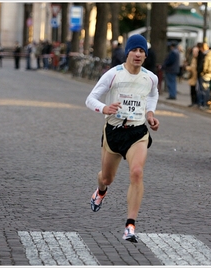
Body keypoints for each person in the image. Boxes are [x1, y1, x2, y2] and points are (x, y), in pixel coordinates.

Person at [85, 34, 160, 243]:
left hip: (137, 132)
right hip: (114, 131)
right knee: (107, 178)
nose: (138, 54)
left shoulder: (150, 78)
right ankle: (101, 190)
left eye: (142, 51)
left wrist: (150, 114)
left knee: (137, 172)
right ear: (127, 52)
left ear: (145, 55)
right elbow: (90, 99)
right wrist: (104, 108)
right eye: (134, 50)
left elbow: (153, 95)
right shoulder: (113, 75)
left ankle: (130, 226)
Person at [197, 42, 211, 108]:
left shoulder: (208, 55)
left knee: (205, 88)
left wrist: (203, 72)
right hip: (207, 73)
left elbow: (205, 65)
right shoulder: (210, 54)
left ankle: (204, 103)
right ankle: (203, 103)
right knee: (204, 88)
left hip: (206, 74)